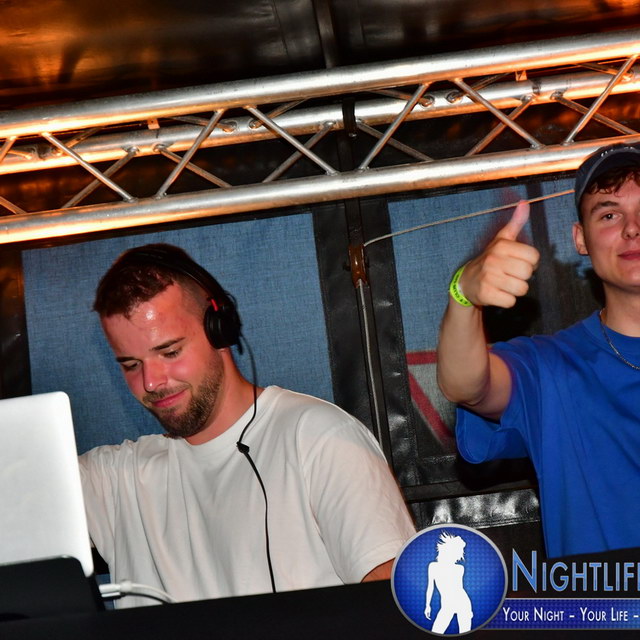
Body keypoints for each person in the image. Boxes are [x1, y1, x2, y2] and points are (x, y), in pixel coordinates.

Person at [79, 243, 415, 607]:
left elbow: (391, 606)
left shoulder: (318, 438)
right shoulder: (114, 480)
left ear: (218, 330)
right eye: (131, 365)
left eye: (170, 352)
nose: (151, 381)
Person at [436, 142, 640, 558]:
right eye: (609, 214)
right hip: (609, 599)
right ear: (580, 239)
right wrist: (463, 294)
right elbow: (466, 386)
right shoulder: (551, 366)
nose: (632, 228)